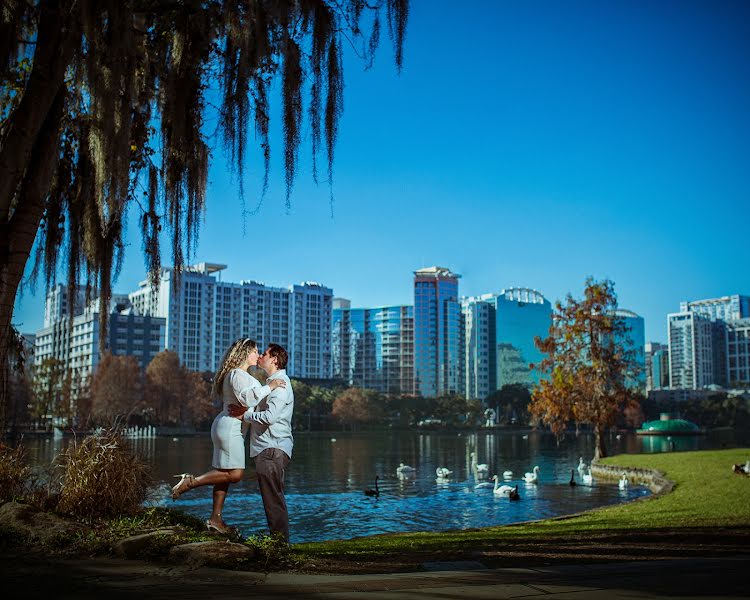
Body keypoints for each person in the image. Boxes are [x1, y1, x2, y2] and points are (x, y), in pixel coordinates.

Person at [170, 338, 286, 533]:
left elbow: (250, 401)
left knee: (223, 476)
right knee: (235, 474)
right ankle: (191, 482)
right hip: (230, 427)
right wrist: (270, 387)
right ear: (244, 353)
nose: (258, 355)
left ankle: (215, 520)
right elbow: (248, 398)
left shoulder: (241, 375)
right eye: (255, 351)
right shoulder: (237, 374)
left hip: (230, 426)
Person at [228, 343, 294, 543]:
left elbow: (270, 416)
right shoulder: (272, 383)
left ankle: (280, 545)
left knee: (273, 500)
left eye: (264, 354)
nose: (260, 356)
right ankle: (279, 543)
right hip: (268, 449)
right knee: (272, 498)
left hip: (271, 448)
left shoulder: (280, 384)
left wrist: (244, 414)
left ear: (274, 359)